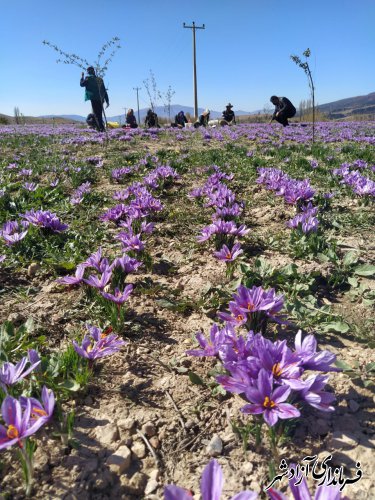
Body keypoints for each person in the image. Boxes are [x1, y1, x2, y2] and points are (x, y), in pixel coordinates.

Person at [80, 66, 109, 132]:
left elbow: (82, 84)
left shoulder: (88, 78)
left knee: (96, 114)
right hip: (101, 99)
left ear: (88, 71)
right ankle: (101, 129)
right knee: (99, 114)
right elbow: (104, 90)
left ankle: (100, 130)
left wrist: (82, 76)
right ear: (94, 71)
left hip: (94, 98)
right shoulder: (100, 79)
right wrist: (107, 101)